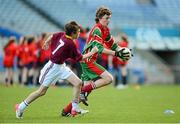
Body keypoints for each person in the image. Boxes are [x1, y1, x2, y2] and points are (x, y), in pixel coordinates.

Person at [15, 21, 98, 119]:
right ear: (72, 33)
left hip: (61, 66)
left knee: (78, 83)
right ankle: (20, 107)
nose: (79, 33)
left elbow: (52, 36)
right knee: (41, 92)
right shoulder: (70, 43)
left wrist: (46, 42)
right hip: (53, 67)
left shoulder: (62, 34)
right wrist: (93, 52)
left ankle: (74, 108)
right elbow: (80, 58)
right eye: (78, 32)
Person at [62, 6, 132, 115]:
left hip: (88, 60)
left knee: (85, 93)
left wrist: (123, 50)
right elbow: (99, 49)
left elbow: (113, 45)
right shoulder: (97, 29)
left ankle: (66, 110)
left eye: (109, 18)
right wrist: (117, 53)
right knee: (109, 79)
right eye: (106, 18)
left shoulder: (106, 30)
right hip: (88, 60)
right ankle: (82, 92)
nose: (108, 21)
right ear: (99, 18)